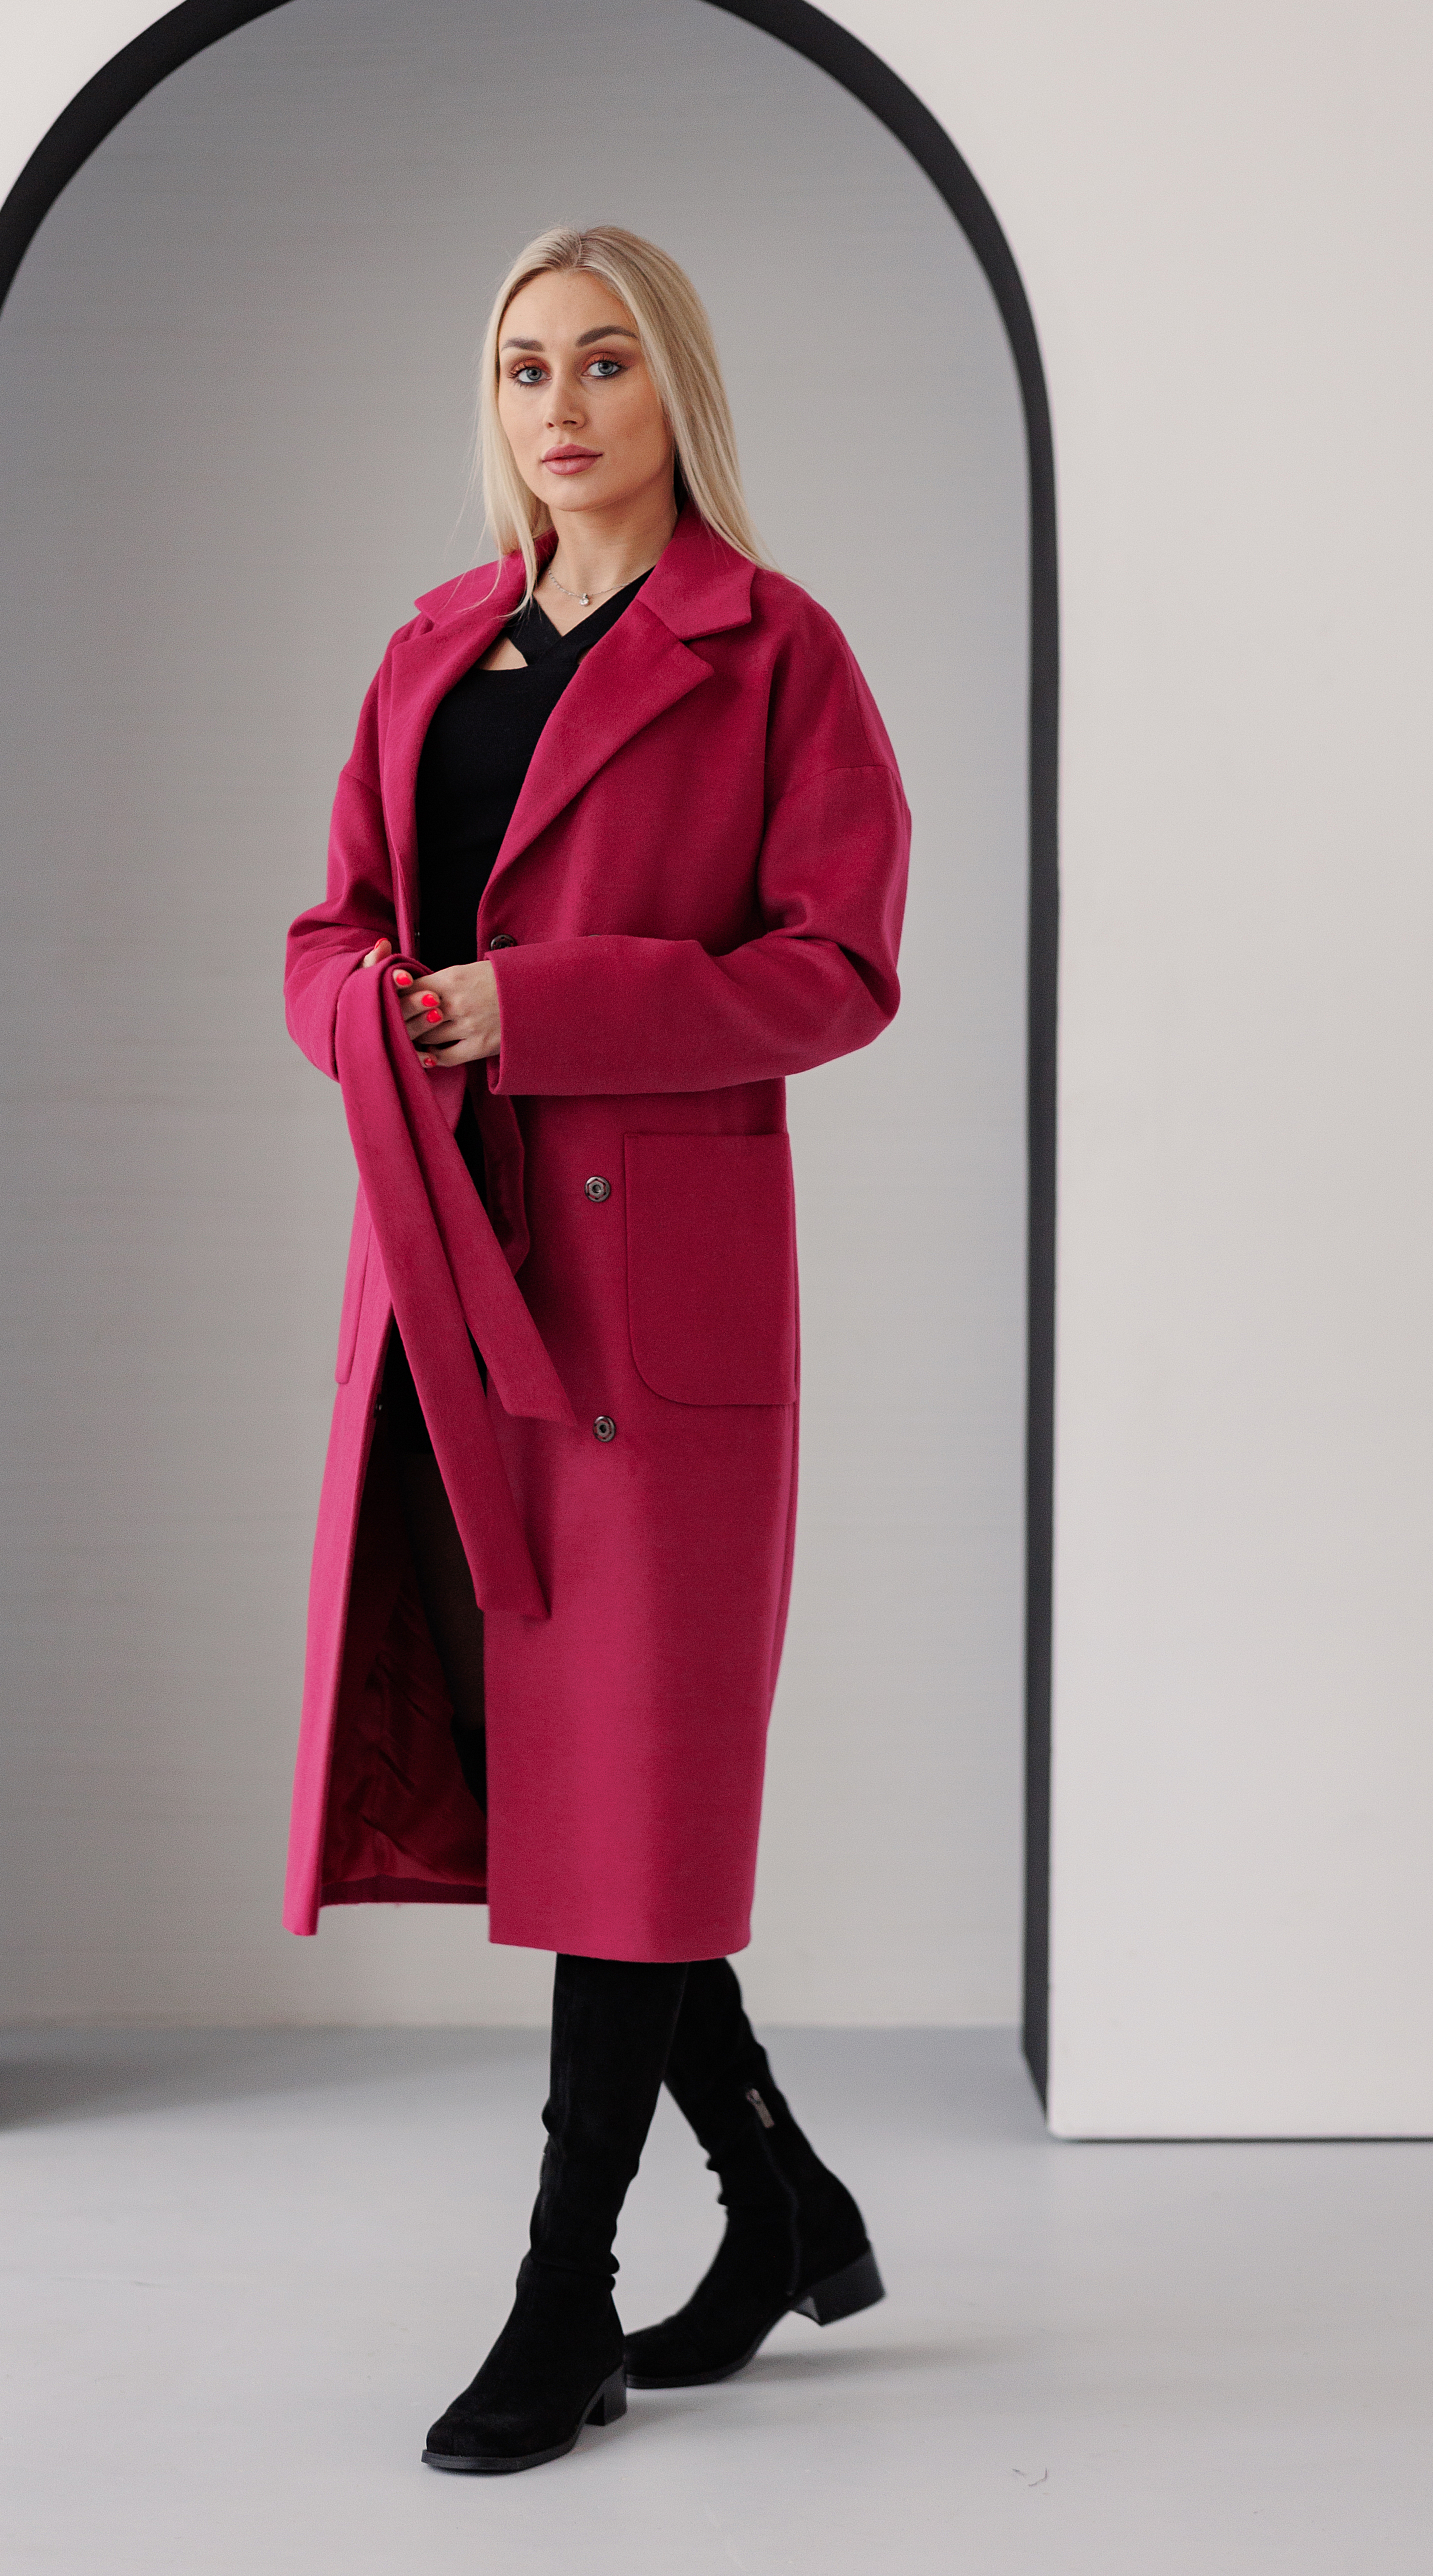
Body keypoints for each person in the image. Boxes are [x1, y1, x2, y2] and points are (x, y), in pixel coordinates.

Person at [282, 224, 911, 2473]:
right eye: (527, 366)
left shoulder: (777, 652)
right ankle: (786, 2203)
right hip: (452, 1272)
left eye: (608, 362)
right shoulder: (429, 651)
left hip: (657, 1302)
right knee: (572, 1770)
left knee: (632, 1772)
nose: (562, 406)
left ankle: (564, 2303)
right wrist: (374, 1008)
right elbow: (328, 931)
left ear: (677, 392)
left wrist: (531, 1010)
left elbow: (840, 969)